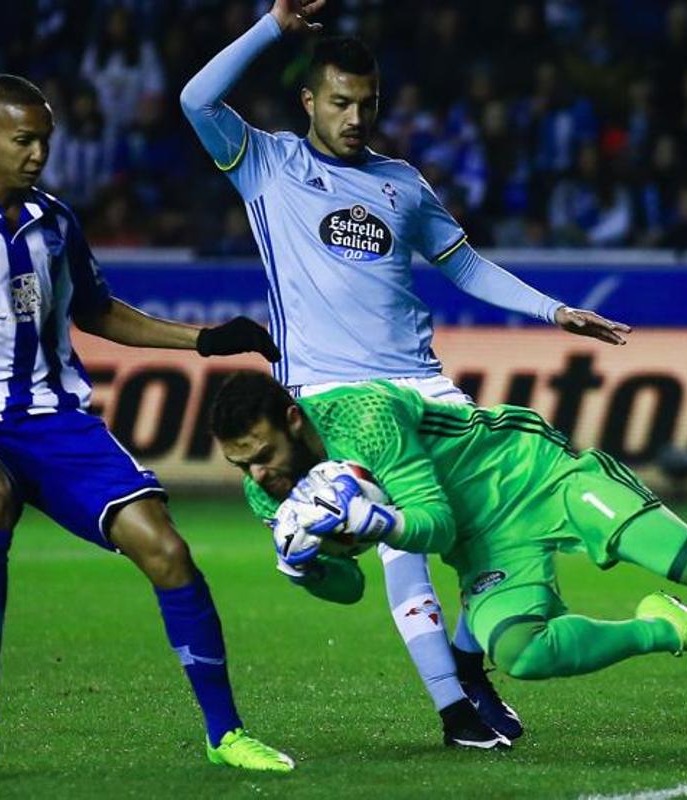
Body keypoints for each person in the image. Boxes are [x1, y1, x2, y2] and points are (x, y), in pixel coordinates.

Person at [181, 0, 630, 748]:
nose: (355, 117)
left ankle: (467, 662)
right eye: (340, 102)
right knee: (402, 539)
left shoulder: (402, 183)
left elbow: (465, 266)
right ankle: (454, 711)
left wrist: (551, 311)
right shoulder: (267, 163)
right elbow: (195, 99)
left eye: (367, 103)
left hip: (422, 385)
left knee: (490, 531)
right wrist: (272, 26)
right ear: (309, 102)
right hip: (330, 394)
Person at [0, 74, 294, 779]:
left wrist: (206, 340)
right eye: (24, 140)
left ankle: (226, 733)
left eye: (45, 140)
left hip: (57, 421)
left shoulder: (57, 223)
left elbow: (97, 312)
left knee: (166, 549)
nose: (38, 153)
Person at [209, 372, 687, 687]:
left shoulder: (368, 416)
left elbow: (434, 523)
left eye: (262, 454)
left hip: (535, 474)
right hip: (485, 540)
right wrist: (309, 570)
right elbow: (348, 589)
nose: (258, 474)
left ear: (292, 420)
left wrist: (384, 522)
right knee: (521, 653)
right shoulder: (267, 494)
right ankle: (666, 626)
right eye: (242, 462)